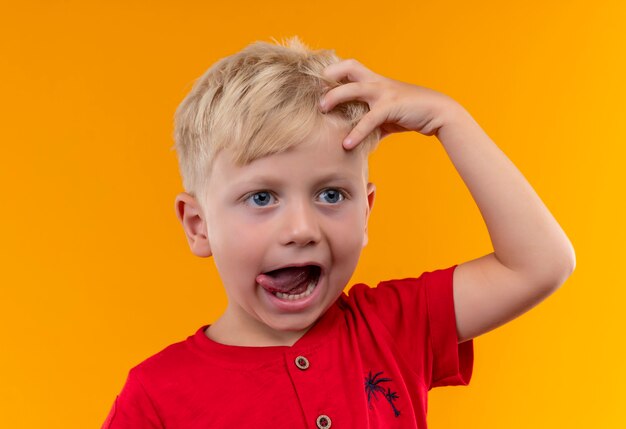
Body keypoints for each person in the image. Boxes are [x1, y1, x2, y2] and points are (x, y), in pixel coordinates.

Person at [101, 36, 575, 428]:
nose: (302, 229)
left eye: (330, 195)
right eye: (262, 198)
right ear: (199, 226)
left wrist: (448, 118)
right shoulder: (156, 397)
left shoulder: (394, 326)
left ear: (366, 212)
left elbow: (539, 264)